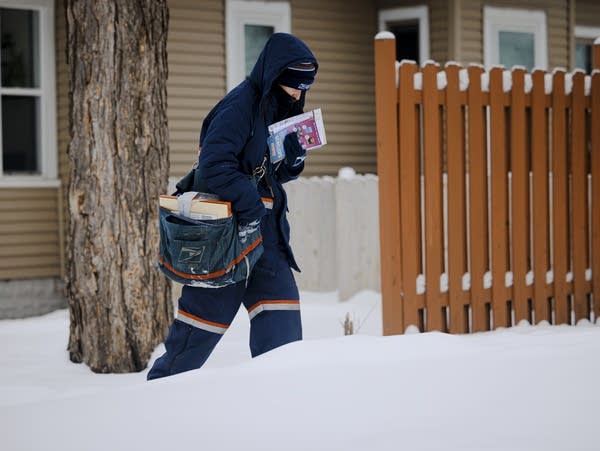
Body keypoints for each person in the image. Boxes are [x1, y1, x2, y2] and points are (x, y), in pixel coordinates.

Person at [147, 33, 318, 379]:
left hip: (267, 239)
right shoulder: (238, 107)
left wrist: (293, 160)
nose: (299, 94)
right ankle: (158, 394)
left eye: (305, 88)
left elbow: (265, 173)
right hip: (227, 237)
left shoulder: (278, 107)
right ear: (274, 76)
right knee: (197, 333)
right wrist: (252, 206)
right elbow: (214, 166)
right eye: (294, 86)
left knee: (283, 335)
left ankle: (281, 403)